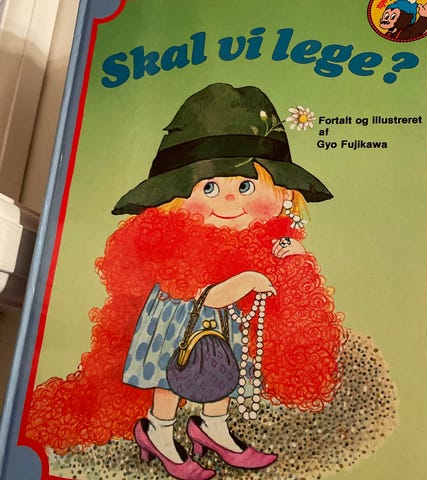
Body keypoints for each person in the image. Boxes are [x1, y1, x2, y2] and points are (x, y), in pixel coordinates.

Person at [26, 83, 346, 480]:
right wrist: (248, 278)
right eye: (208, 187)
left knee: (223, 372)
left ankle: (213, 429)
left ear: (282, 194)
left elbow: (277, 292)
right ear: (173, 198)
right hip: (177, 326)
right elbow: (208, 297)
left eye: (246, 186)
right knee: (170, 380)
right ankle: (158, 433)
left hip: (222, 327)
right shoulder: (174, 245)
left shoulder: (255, 241)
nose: (229, 200)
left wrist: (291, 259)